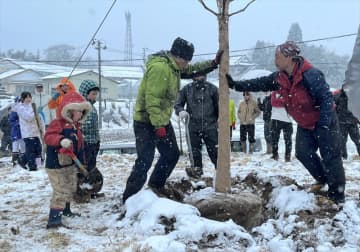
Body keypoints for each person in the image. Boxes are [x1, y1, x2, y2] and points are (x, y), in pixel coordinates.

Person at [226, 41, 346, 204]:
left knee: (331, 156)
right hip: (305, 124)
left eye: (278, 56)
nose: (275, 59)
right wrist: (236, 85)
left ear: (289, 57)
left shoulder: (310, 75)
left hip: (325, 121)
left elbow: (326, 99)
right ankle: (323, 178)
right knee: (303, 152)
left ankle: (337, 195)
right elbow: (259, 83)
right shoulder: (280, 77)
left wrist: (324, 124)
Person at [122, 37, 222, 203]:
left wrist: (213, 63)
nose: (187, 64)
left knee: (171, 154)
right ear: (179, 57)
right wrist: (159, 125)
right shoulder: (160, 68)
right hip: (146, 122)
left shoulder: (173, 68)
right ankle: (129, 198)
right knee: (145, 159)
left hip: (160, 120)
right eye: (186, 61)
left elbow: (193, 70)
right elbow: (152, 100)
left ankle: (155, 186)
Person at [44, 92, 91, 228]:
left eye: (83, 112)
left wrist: (82, 162)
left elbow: (79, 146)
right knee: (60, 190)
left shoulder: (76, 127)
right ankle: (54, 220)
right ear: (69, 110)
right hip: (56, 164)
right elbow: (48, 137)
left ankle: (66, 210)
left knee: (70, 187)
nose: (81, 115)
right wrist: (60, 140)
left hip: (69, 163)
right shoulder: (58, 123)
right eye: (79, 111)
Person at [174, 74, 219, 178]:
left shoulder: (212, 89)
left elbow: (219, 106)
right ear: (193, 76)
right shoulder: (187, 89)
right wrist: (181, 111)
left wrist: (220, 118)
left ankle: (220, 171)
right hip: (192, 126)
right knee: (194, 152)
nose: (200, 77)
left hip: (210, 125)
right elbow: (178, 104)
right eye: (197, 75)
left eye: (202, 75)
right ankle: (197, 173)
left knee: (215, 150)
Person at [78, 79, 104, 198]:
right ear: (85, 93)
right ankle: (82, 191)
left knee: (91, 166)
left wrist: (97, 140)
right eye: (93, 94)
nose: (95, 97)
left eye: (96, 94)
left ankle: (90, 191)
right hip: (85, 143)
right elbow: (80, 126)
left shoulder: (91, 107)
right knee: (85, 168)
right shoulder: (81, 107)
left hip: (93, 142)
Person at [14, 92, 44, 171]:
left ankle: (37, 165)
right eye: (26, 97)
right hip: (27, 132)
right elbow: (28, 118)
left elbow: (38, 118)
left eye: (29, 97)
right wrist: (35, 112)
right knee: (31, 151)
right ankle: (32, 167)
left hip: (35, 132)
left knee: (38, 149)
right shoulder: (20, 108)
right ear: (22, 99)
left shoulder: (32, 106)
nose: (28, 99)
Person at [333, 87, 360, 159]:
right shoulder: (337, 95)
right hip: (341, 123)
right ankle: (343, 158)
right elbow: (333, 108)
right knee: (342, 141)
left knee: (357, 140)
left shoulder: (356, 97)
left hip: (353, 123)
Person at [270, 90, 293, 162]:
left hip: (288, 120)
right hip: (276, 119)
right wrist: (284, 101)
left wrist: (281, 101)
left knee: (288, 140)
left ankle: (287, 156)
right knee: (274, 139)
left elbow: (290, 103)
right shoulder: (274, 93)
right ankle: (275, 154)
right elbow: (273, 103)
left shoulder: (289, 92)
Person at [9, 98, 25, 166]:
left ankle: (23, 161)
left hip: (23, 132)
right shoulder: (14, 111)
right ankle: (15, 161)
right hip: (16, 132)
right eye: (18, 102)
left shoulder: (24, 110)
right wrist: (18, 123)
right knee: (15, 146)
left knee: (23, 147)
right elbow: (11, 121)